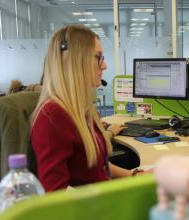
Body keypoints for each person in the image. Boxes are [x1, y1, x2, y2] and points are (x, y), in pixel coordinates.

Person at [31, 25, 141, 192]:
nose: (104, 66)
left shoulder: (82, 109)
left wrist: (135, 176)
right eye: (98, 57)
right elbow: (55, 196)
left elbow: (100, 167)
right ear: (75, 61)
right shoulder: (52, 117)